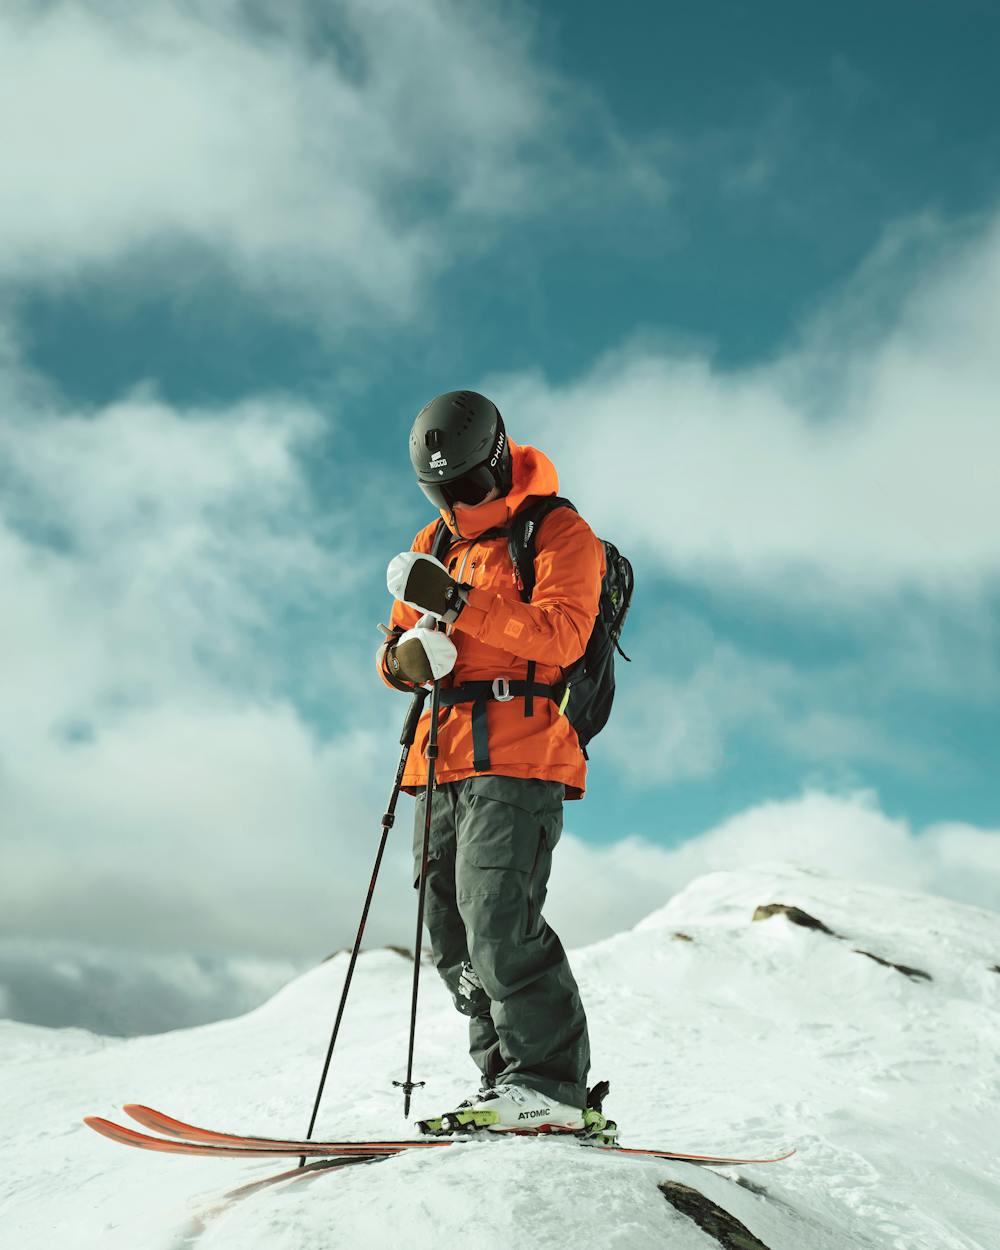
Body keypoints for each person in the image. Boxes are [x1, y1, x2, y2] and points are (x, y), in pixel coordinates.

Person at [378, 389, 605, 1133]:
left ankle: (550, 1087)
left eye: (469, 487)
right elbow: (391, 652)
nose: (455, 504)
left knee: (498, 916)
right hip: (439, 756)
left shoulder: (558, 532)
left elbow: (564, 635)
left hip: (521, 751)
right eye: (441, 492)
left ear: (499, 460)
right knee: (449, 935)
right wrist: (404, 660)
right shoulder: (431, 542)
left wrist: (463, 601)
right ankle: (505, 1085)